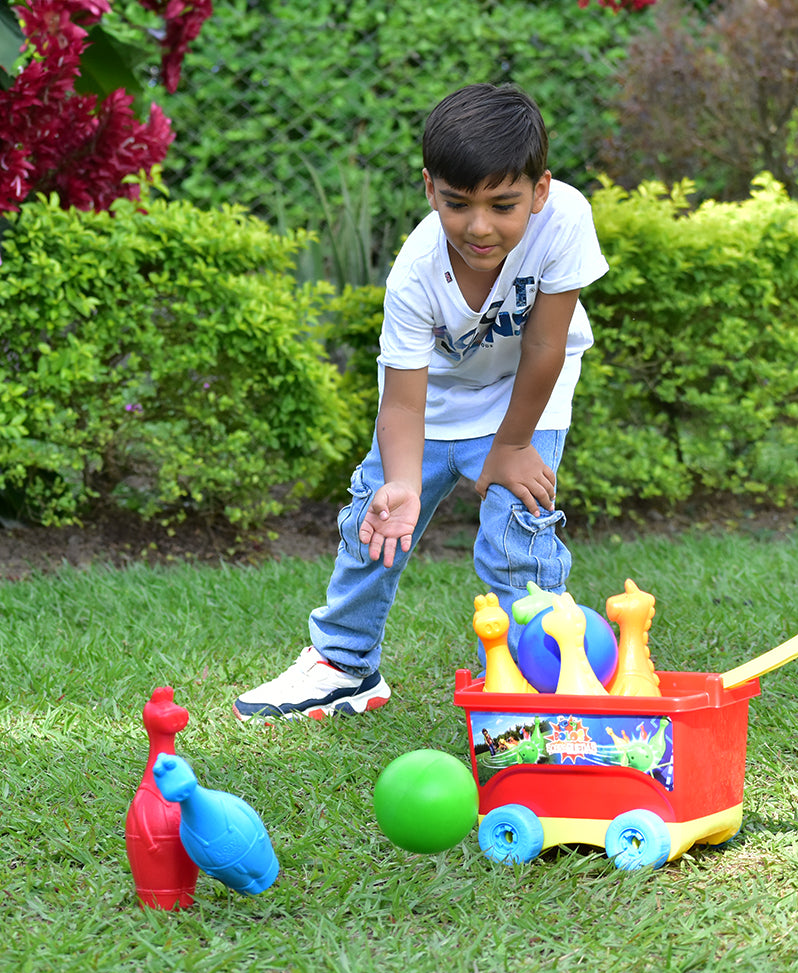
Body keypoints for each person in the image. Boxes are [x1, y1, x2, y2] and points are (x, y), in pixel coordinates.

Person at [234, 82, 608, 721]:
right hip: (433, 403)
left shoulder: (565, 217)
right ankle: (344, 664)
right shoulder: (414, 272)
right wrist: (402, 484)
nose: (479, 226)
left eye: (504, 204)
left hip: (528, 393)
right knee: (374, 523)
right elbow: (403, 403)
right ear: (430, 188)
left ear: (539, 192)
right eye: (458, 204)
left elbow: (547, 343)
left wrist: (513, 446)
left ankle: (541, 679)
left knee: (515, 533)